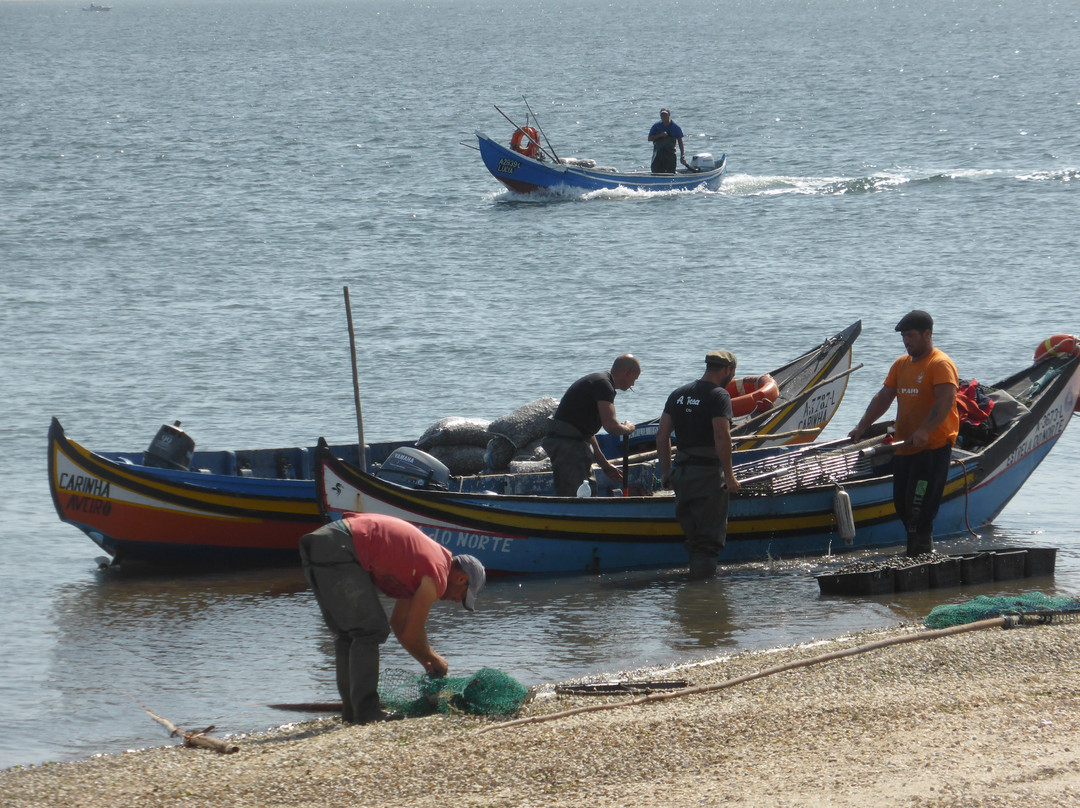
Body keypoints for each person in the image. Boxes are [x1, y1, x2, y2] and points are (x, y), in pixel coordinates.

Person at [298, 512, 485, 724]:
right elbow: (412, 632)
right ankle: (367, 713)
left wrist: (427, 661)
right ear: (461, 578)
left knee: (348, 633)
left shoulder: (422, 565)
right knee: (369, 630)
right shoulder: (437, 573)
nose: (455, 601)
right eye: (462, 596)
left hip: (320, 542)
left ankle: (352, 713)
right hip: (341, 547)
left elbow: (400, 627)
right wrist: (435, 658)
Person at [848, 310, 959, 557]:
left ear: (927, 334)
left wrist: (925, 430)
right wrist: (862, 427)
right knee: (902, 505)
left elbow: (945, 401)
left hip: (932, 448)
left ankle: (921, 554)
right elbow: (884, 397)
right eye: (904, 337)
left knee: (920, 508)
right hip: (904, 447)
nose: (906, 341)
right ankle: (914, 553)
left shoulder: (939, 364)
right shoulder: (901, 365)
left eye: (911, 336)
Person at [655, 350, 742, 580]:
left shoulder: (678, 394)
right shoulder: (719, 395)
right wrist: (730, 477)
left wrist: (666, 472)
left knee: (693, 536)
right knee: (707, 541)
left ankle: (689, 605)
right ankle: (702, 595)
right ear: (727, 370)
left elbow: (662, 435)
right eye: (733, 372)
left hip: (682, 473)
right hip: (707, 476)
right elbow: (722, 436)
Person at [542, 354, 641, 497]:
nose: (633, 384)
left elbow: (587, 433)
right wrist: (629, 428)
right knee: (574, 495)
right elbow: (611, 427)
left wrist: (605, 465)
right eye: (634, 379)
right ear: (628, 373)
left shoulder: (601, 382)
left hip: (576, 444)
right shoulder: (604, 385)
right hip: (567, 447)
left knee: (589, 492)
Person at [648, 108, 686, 174]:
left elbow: (680, 142)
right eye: (662, 115)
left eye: (665, 115)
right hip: (658, 155)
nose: (663, 117)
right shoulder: (656, 126)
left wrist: (682, 156)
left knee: (670, 172)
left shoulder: (675, 127)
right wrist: (660, 135)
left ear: (669, 115)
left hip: (670, 155)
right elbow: (649, 138)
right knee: (656, 171)